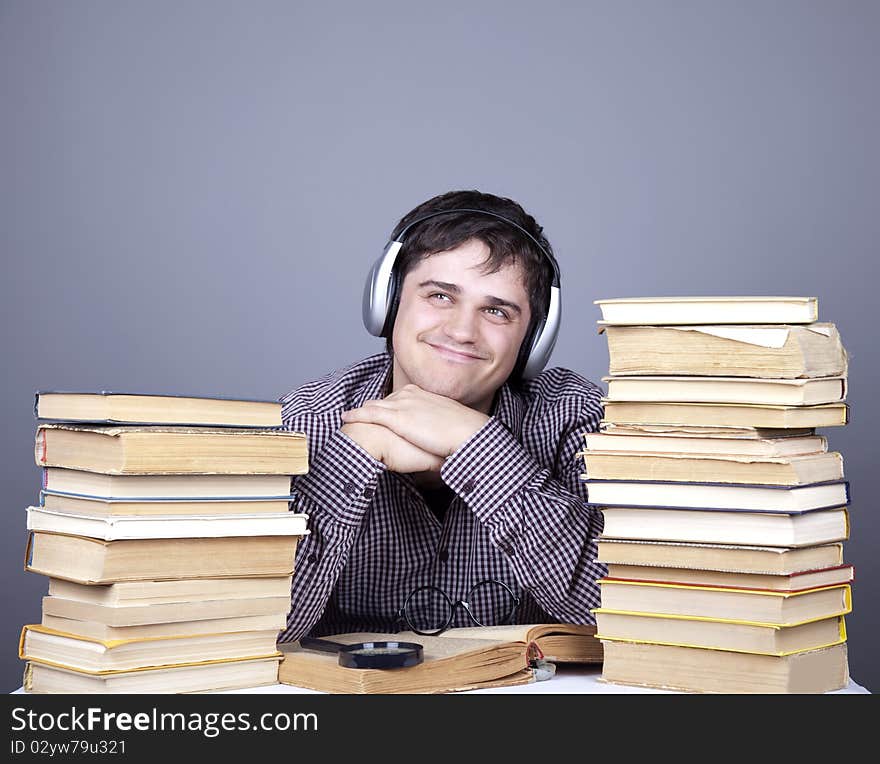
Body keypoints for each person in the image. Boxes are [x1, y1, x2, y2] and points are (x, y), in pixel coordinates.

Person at [277, 189, 606, 642]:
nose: (461, 331)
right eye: (440, 296)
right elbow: (253, 625)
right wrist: (353, 455)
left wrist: (481, 451)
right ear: (387, 303)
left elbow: (632, 615)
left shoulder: (576, 420)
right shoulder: (303, 421)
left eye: (496, 311)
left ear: (533, 340)